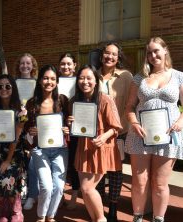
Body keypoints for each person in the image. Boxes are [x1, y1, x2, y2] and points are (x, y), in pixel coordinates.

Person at [125, 37, 183, 222]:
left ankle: (158, 218)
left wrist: (182, 121)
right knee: (139, 182)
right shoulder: (139, 77)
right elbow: (129, 107)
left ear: (165, 51)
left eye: (156, 50)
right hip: (140, 135)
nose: (152, 55)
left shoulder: (178, 76)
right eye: (149, 52)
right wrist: (134, 123)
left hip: (168, 136)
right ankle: (138, 217)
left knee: (160, 184)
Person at [68, 65, 122, 222]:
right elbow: (74, 130)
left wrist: (104, 137)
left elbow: (116, 126)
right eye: (81, 78)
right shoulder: (75, 101)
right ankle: (95, 219)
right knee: (85, 191)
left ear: (95, 80)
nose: (85, 82)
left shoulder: (105, 99)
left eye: (89, 78)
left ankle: (101, 219)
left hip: (100, 148)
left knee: (87, 188)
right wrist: (70, 124)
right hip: (82, 148)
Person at [25, 65, 69, 222]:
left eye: (52, 79)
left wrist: (67, 128)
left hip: (60, 150)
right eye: (45, 78)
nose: (49, 82)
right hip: (40, 150)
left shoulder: (63, 101)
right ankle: (41, 217)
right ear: (39, 81)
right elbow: (25, 129)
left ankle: (51, 216)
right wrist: (31, 131)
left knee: (58, 187)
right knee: (46, 186)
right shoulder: (31, 104)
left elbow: (70, 123)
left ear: (57, 82)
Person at [96, 42, 133, 222]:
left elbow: (133, 102)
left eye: (114, 54)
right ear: (102, 55)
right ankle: (99, 207)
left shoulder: (126, 76)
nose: (110, 57)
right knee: (99, 171)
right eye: (107, 53)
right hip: (99, 133)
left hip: (119, 133)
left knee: (116, 172)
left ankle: (113, 208)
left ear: (118, 58)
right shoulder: (93, 75)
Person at [0, 74, 27, 222]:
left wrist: (8, 160)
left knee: (10, 179)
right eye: (0, 86)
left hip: (15, 151)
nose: (3, 89)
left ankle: (16, 211)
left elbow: (16, 137)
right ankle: (5, 209)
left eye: (7, 86)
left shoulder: (22, 110)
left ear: (13, 88)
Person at [14, 53, 39, 210]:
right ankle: (22, 193)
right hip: (17, 124)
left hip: (31, 125)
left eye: (28, 63)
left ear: (33, 66)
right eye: (22, 63)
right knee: (20, 160)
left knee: (32, 161)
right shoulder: (14, 83)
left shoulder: (37, 83)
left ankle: (32, 195)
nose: (25, 66)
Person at [58, 53, 79, 210]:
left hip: (76, 129)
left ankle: (74, 196)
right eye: (63, 64)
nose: (66, 67)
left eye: (69, 64)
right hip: (58, 128)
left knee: (74, 164)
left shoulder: (80, 82)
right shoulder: (55, 81)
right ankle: (59, 196)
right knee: (60, 164)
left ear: (75, 65)